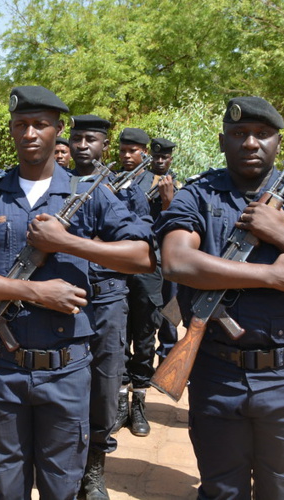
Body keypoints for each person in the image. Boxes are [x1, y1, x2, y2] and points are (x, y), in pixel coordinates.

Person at [0, 86, 154, 500]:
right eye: (21, 125)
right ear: (11, 131)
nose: (30, 133)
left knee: (62, 484)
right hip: (2, 369)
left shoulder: (87, 193)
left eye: (40, 125)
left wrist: (70, 243)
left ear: (58, 131)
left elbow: (142, 256)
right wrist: (36, 292)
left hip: (67, 370)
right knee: (8, 483)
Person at [155, 96, 284, 499]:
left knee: (283, 491)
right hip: (217, 372)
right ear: (222, 141)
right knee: (220, 490)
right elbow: (176, 261)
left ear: (278, 144)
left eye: (262, 134)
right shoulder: (199, 195)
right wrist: (270, 275)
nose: (251, 143)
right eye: (239, 134)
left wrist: (283, 236)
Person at [67, 114, 154, 499]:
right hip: (66, 296)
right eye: (77, 138)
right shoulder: (58, 183)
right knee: (64, 384)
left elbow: (140, 238)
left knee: (104, 386)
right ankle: (65, 466)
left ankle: (94, 471)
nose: (83, 145)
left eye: (92, 139)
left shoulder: (119, 186)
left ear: (104, 146)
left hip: (107, 295)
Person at [114, 127, 164, 438]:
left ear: (144, 152)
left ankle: (139, 401)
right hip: (117, 268)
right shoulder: (111, 180)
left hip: (148, 270)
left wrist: (169, 202)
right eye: (123, 150)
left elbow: (172, 225)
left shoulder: (160, 182)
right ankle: (120, 401)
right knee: (119, 335)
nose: (128, 155)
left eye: (133, 151)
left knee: (145, 337)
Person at [148, 137, 182, 364]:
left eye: (164, 157)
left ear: (170, 160)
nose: (160, 161)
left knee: (171, 311)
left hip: (170, 256)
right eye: (156, 157)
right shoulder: (142, 182)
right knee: (148, 314)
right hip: (149, 257)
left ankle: (167, 359)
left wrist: (168, 200)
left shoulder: (180, 187)